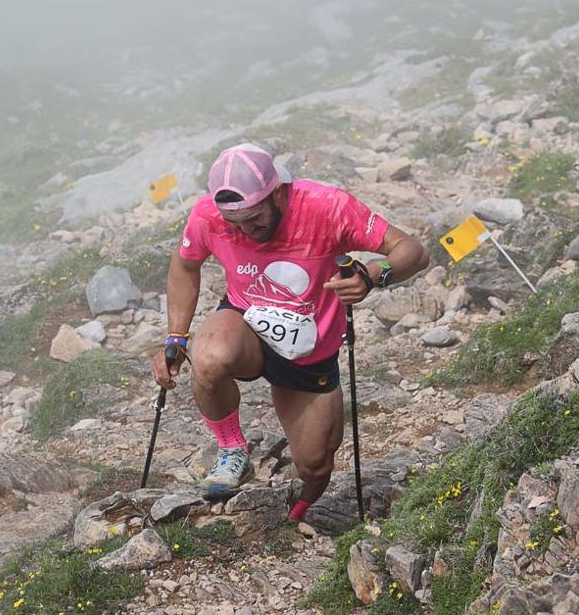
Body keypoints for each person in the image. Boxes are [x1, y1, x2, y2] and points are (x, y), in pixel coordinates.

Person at [152, 143, 429, 520]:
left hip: (308, 355)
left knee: (315, 467)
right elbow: (185, 267)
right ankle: (233, 449)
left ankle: (294, 516)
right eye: (235, 225)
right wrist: (175, 337)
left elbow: (412, 250)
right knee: (208, 354)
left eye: (253, 218)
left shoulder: (327, 207)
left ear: (278, 191)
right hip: (245, 325)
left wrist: (371, 275)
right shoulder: (207, 217)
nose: (246, 232)